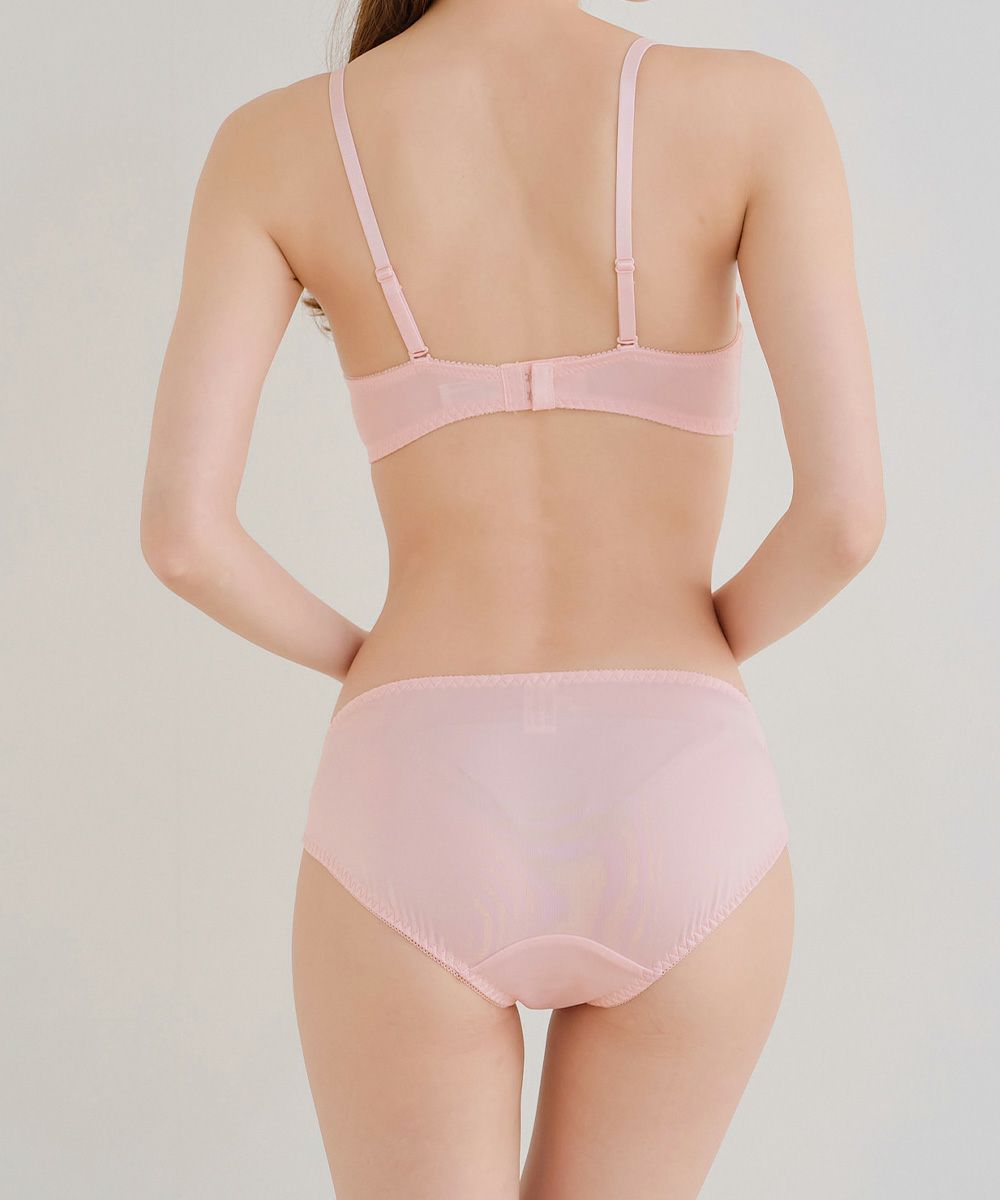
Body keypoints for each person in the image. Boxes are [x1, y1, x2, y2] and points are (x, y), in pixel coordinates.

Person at [140, 1, 884, 1196]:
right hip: (682, 785)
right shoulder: (757, 109)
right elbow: (844, 520)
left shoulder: (275, 144)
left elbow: (184, 539)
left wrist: (363, 661)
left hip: (414, 775)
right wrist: (698, 657)